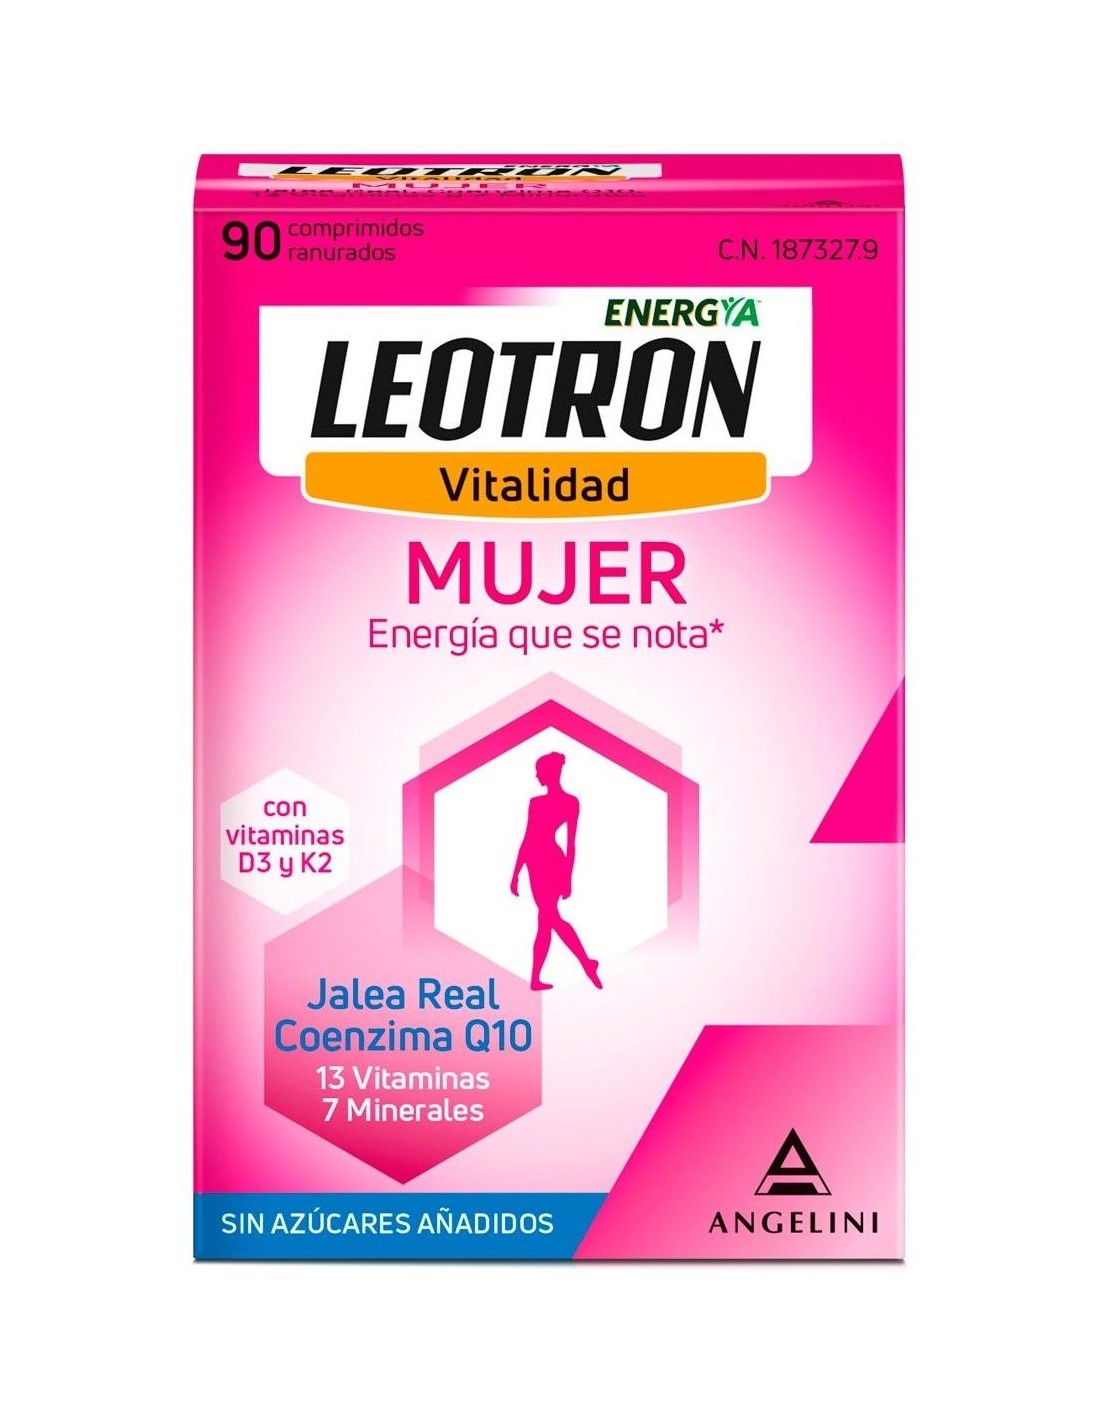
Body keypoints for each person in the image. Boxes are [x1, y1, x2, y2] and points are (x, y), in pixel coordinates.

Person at [510, 751, 602, 991]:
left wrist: (567, 878)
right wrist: (516, 872)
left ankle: (582, 964)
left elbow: (571, 844)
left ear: (550, 773)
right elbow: (528, 837)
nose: (536, 776)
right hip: (538, 863)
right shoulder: (539, 802)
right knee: (547, 919)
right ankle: (576, 966)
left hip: (548, 863)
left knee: (548, 917)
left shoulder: (569, 803)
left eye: (539, 771)